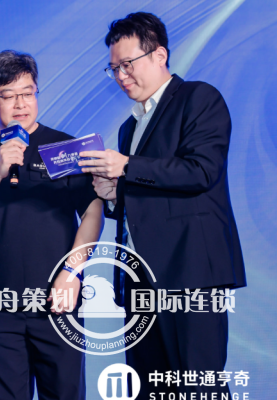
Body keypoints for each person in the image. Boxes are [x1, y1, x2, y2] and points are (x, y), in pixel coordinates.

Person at [78, 12, 246, 397]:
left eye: (127, 64)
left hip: (189, 273)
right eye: (114, 69)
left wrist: (127, 166)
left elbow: (201, 171)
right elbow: (146, 192)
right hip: (140, 279)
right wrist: (113, 194)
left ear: (159, 55)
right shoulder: (130, 126)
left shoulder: (198, 98)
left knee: (197, 386)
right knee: (148, 388)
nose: (121, 76)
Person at [0, 50, 103, 400]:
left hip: (56, 302)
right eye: (9, 95)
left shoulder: (66, 148)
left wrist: (72, 272)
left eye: (28, 93)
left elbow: (92, 211)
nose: (20, 104)